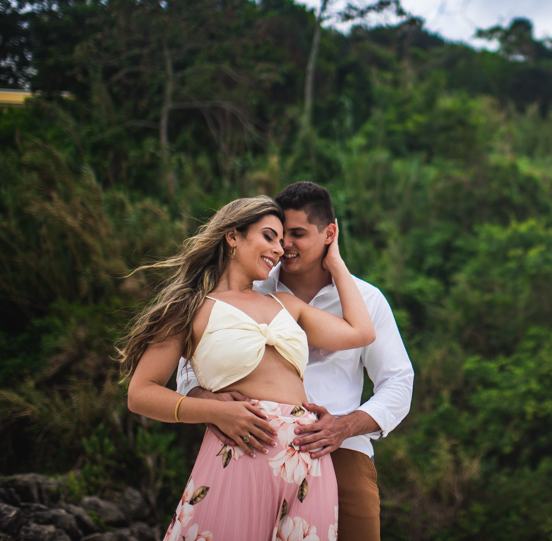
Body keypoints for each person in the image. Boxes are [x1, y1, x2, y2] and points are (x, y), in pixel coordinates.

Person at [120, 196, 375, 541]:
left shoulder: (285, 304)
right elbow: (140, 394)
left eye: (282, 241)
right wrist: (213, 412)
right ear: (232, 236)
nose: (279, 249)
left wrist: (336, 262)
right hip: (239, 452)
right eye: (269, 237)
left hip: (307, 462)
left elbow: (361, 332)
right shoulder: (189, 307)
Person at [177, 182, 415, 541]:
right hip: (252, 444)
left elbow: (398, 381)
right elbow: (189, 361)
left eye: (298, 234)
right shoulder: (251, 288)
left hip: (342, 451)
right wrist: (207, 402)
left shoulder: (366, 299)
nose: (284, 245)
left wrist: (344, 427)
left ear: (330, 233)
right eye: (278, 235)